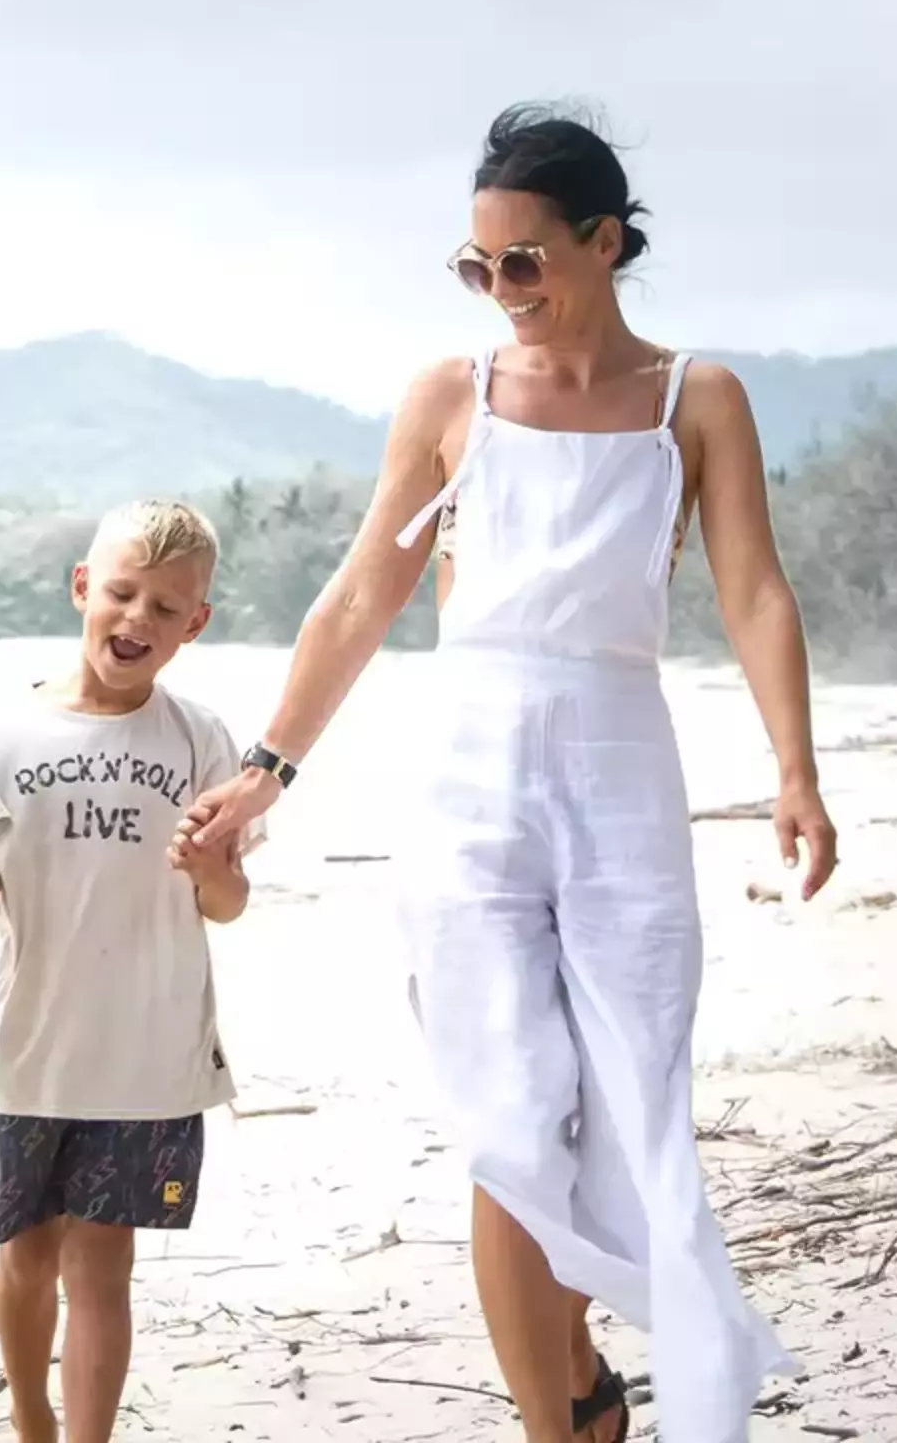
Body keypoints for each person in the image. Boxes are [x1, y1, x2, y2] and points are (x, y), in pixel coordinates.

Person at [177, 105, 838, 1443]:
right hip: (470, 774)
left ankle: (587, 1363)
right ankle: (561, 1421)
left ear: (603, 244)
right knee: (506, 1113)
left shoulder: (695, 400)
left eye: (524, 262)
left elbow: (755, 589)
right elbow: (365, 590)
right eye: (478, 269)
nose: (502, 293)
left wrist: (796, 771)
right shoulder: (449, 397)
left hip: (620, 775)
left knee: (628, 1103)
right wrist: (268, 767)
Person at [0, 499, 253, 1443]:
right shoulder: (4, 729)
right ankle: (30, 1420)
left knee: (104, 1268)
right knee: (25, 1254)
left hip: (150, 1052)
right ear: (82, 587)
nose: (138, 620)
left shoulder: (203, 740)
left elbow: (228, 902)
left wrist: (213, 867)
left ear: (196, 624)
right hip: (33, 1045)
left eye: (166, 608)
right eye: (123, 595)